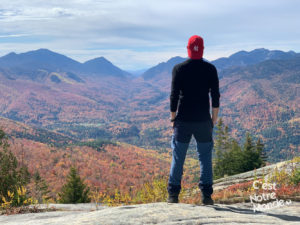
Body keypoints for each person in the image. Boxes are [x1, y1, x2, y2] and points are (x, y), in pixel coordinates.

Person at [167, 35, 220, 205]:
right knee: (205, 157)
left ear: (187, 48)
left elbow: (174, 95)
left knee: (178, 157)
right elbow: (215, 96)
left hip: (183, 121)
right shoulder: (210, 69)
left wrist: (172, 118)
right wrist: (213, 119)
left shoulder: (179, 69)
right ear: (203, 49)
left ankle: (173, 195)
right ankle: (206, 196)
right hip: (203, 120)